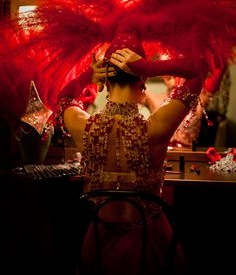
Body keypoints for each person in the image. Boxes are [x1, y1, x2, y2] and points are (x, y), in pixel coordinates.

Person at [55, 31, 207, 275]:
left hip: (98, 244)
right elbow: (198, 72)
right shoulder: (155, 127)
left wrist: (89, 76)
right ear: (143, 81)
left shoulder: (84, 126)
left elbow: (63, 98)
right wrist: (150, 66)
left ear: (107, 82)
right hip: (150, 242)